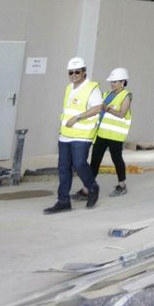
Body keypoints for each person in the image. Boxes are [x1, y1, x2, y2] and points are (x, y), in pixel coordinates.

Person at [44, 57, 101, 214]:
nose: (74, 75)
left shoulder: (92, 88)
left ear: (84, 72)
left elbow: (97, 108)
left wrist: (77, 118)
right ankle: (63, 201)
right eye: (71, 72)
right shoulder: (69, 88)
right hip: (65, 135)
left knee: (79, 164)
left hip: (82, 135)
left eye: (77, 72)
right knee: (63, 168)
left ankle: (92, 187)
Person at [88, 68, 133, 196]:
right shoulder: (106, 94)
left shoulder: (126, 96)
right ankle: (88, 188)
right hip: (102, 133)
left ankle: (122, 185)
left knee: (116, 159)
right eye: (111, 81)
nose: (112, 84)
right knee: (95, 160)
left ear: (123, 82)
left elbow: (122, 114)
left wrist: (107, 109)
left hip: (115, 135)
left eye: (115, 81)